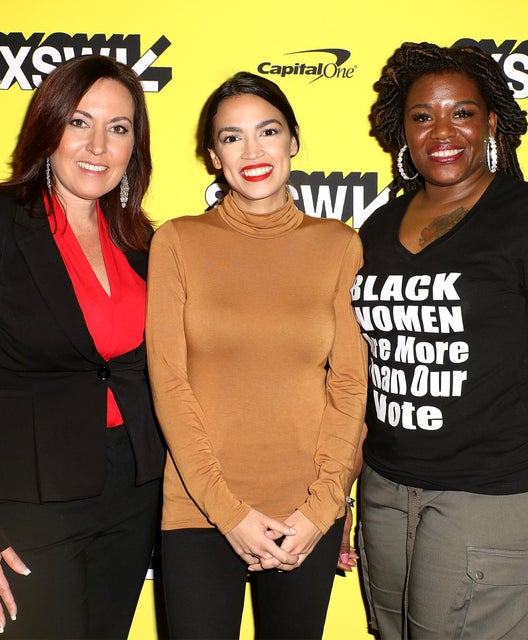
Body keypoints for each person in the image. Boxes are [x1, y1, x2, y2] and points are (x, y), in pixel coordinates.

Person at [350, 42, 528, 639]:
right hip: (384, 493)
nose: (442, 131)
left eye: (461, 112)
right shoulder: (378, 228)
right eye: (422, 116)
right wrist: (343, 491)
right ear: (400, 129)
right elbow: (361, 373)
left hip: (490, 500)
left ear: (490, 121)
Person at [0, 54, 164, 638]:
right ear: (47, 127)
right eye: (80, 122)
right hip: (25, 506)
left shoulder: (139, 238)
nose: (98, 146)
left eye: (119, 128)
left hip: (132, 495)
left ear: (136, 145)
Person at [145, 71, 368, 639]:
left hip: (304, 517)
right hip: (200, 508)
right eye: (231, 137)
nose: (253, 151)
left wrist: (322, 512)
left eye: (267, 131)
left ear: (293, 140)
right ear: (213, 156)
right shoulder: (177, 242)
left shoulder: (339, 244)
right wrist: (230, 513)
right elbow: (169, 384)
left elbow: (349, 388)